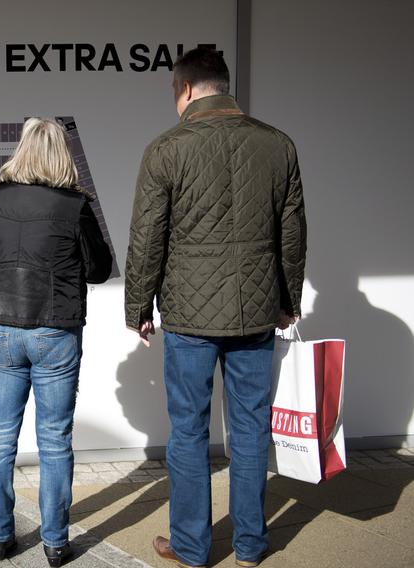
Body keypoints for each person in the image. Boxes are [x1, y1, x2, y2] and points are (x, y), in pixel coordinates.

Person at [124, 48, 306, 568]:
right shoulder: (278, 145)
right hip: (254, 312)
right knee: (251, 427)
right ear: (224, 87)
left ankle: (191, 546)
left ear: (183, 90)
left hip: (189, 316)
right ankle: (250, 544)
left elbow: (146, 238)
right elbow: (291, 234)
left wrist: (139, 305)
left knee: (188, 431)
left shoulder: (165, 149)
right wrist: (288, 298)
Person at [0, 117, 112, 566]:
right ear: (62, 154)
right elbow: (99, 269)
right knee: (55, 439)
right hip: (56, 329)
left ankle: (1, 538)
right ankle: (56, 543)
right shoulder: (74, 205)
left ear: (21, 149)